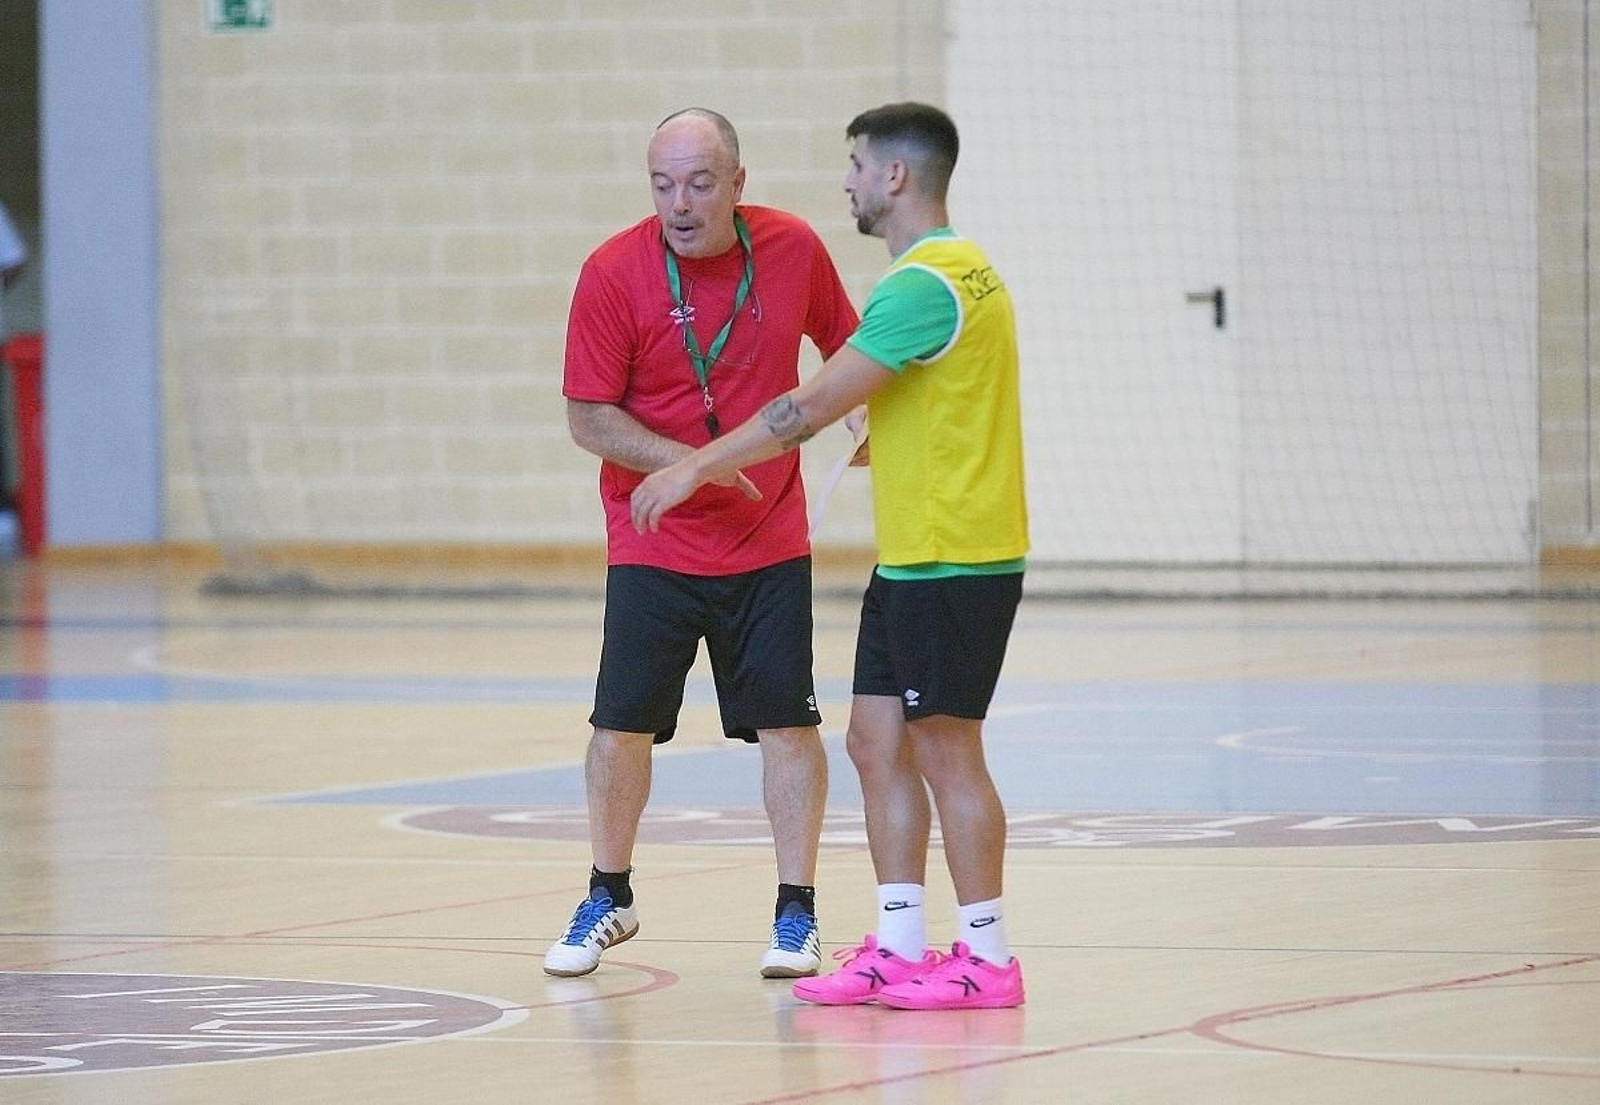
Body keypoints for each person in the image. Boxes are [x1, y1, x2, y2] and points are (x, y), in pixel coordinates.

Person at [631, 102, 1029, 1011]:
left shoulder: (926, 284)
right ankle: (899, 944)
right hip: (915, 556)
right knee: (874, 742)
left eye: (855, 165)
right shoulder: (949, 275)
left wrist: (692, 466)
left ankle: (988, 956)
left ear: (894, 175)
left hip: (960, 558)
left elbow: (803, 409)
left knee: (947, 751)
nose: (846, 182)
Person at [547, 108, 860, 980]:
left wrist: (862, 411)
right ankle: (609, 894)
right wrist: (689, 468)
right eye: (662, 185)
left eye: (697, 183)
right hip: (652, 536)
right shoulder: (613, 271)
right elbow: (588, 416)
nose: (678, 204)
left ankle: (796, 911)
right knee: (620, 725)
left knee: (788, 724)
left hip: (770, 539)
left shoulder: (792, 248)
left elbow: (848, 348)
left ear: (736, 184)